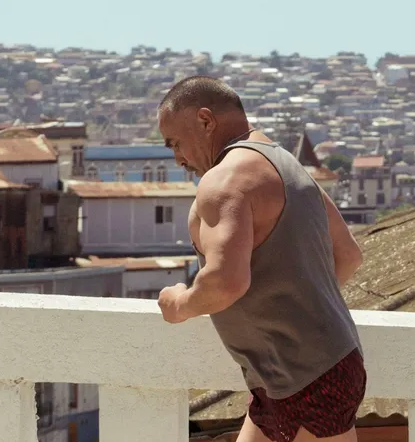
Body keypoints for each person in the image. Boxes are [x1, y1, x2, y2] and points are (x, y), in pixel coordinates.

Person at [156, 76, 366, 442]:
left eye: (175, 143)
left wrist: (179, 305)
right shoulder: (286, 165)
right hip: (305, 373)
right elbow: (348, 254)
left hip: (304, 378)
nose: (178, 158)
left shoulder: (224, 181)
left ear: (205, 121)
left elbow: (225, 283)